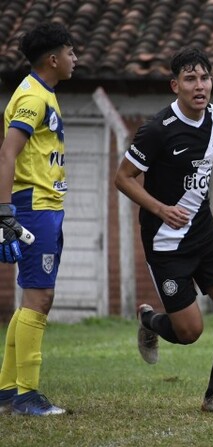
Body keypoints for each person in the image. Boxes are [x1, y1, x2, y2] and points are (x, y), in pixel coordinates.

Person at [114, 47, 213, 414]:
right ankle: (149, 320)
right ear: (175, 85)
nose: (200, 86)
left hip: (203, 232)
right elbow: (123, 178)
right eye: (190, 79)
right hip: (165, 242)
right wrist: (161, 209)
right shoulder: (156, 130)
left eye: (205, 78)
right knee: (189, 332)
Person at [0, 22, 77, 416]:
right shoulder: (32, 97)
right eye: (69, 52)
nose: (74, 58)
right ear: (53, 58)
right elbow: (7, 153)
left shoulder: (43, 92)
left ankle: (8, 391)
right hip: (33, 207)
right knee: (40, 297)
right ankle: (27, 396)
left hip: (46, 206)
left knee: (32, 295)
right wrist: (5, 213)